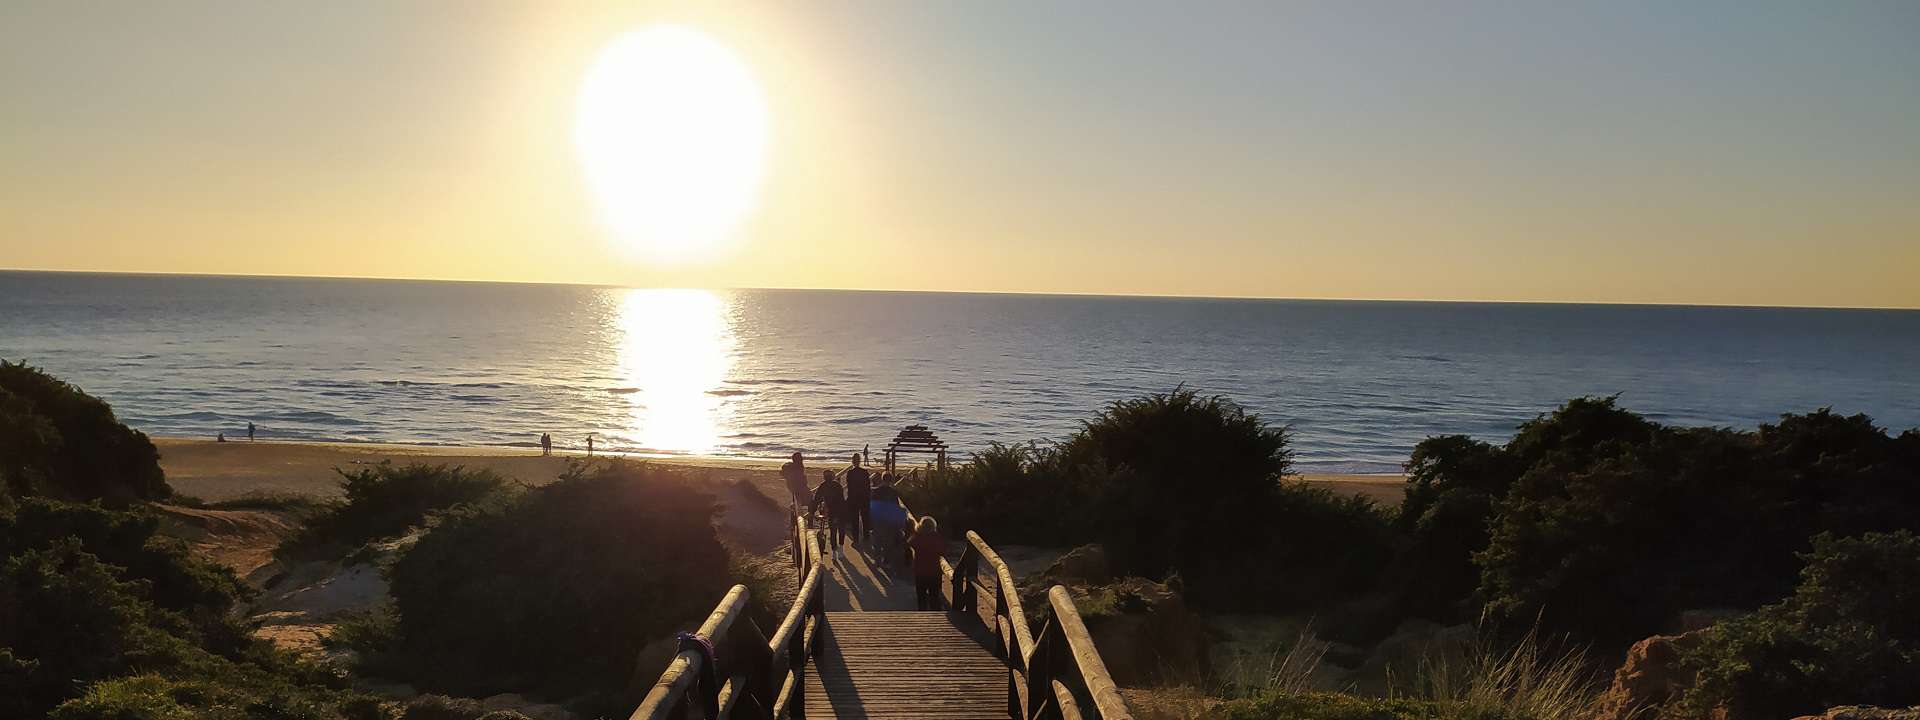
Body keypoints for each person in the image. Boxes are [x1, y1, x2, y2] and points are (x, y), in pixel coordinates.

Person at [907, 516, 947, 611]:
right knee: (934, 596)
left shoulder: (917, 537)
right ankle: (936, 615)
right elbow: (943, 551)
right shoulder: (937, 538)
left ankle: (923, 614)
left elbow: (908, 544)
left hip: (920, 572)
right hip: (935, 572)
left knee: (921, 597)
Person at [869, 477, 909, 568]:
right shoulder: (893, 492)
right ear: (890, 481)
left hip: (878, 518)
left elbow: (872, 505)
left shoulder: (876, 491)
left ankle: (877, 560)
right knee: (888, 541)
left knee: (877, 540)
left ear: (882, 479)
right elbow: (896, 506)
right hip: (889, 519)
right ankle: (886, 561)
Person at [809, 469, 847, 553]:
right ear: (833, 477)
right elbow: (841, 499)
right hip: (841, 510)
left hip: (832, 511)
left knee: (833, 531)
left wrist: (812, 512)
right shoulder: (838, 485)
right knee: (841, 530)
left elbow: (817, 500)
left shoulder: (823, 486)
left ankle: (834, 552)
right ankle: (841, 548)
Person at [843, 454, 871, 547]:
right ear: (859, 461)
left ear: (853, 461)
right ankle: (866, 537)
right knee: (865, 517)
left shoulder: (850, 473)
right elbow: (868, 486)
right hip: (863, 497)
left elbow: (849, 486)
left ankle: (856, 540)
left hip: (854, 498)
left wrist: (849, 498)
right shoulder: (864, 472)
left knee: (854, 519)